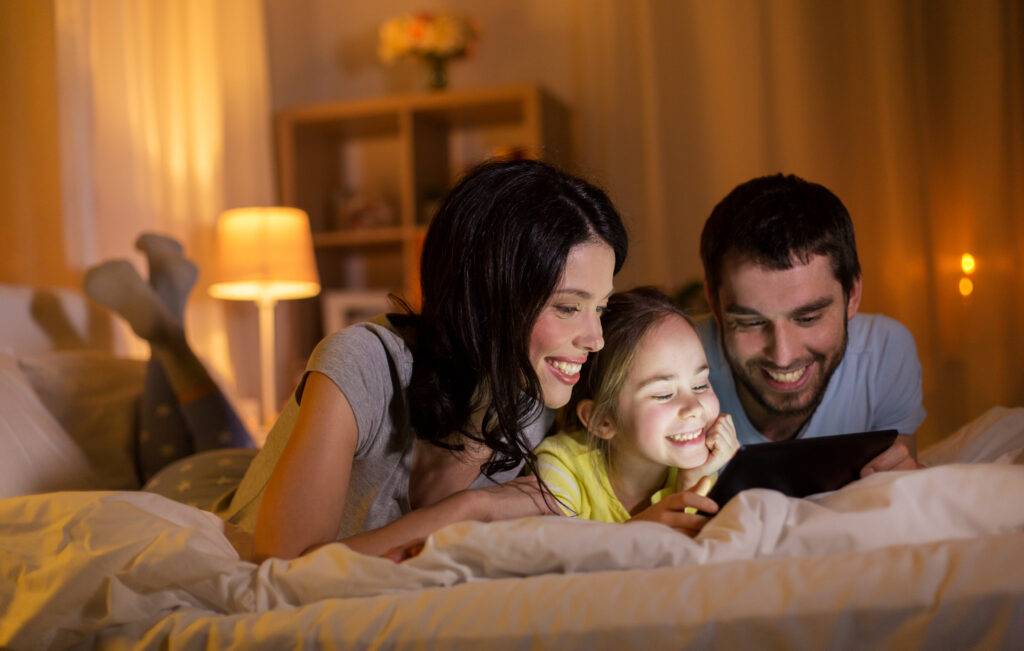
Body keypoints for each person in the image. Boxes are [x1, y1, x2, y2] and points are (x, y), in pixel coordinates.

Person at [220, 159, 631, 560]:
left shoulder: (535, 401)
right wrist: (470, 510)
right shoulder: (363, 361)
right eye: (568, 308)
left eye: (600, 308)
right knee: (213, 445)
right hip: (224, 507)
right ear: (487, 295)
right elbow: (285, 569)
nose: (595, 339)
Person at [696, 173, 926, 475]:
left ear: (852, 296)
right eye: (751, 322)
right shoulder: (677, 363)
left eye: (808, 318)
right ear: (714, 303)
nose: (783, 356)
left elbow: (898, 484)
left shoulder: (885, 352)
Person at [536, 287, 738, 534]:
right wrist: (641, 531)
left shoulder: (697, 471)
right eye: (663, 394)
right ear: (602, 421)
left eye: (700, 384)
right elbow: (555, 558)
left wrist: (690, 485)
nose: (694, 407)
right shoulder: (560, 468)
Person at [84, 233, 254, 484]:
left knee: (234, 465)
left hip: (211, 491)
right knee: (183, 474)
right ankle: (166, 329)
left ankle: (168, 322)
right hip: (178, 492)